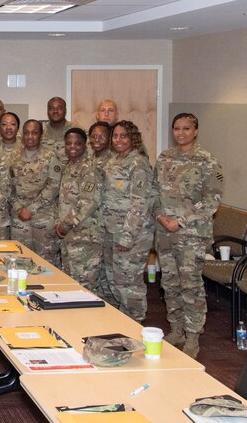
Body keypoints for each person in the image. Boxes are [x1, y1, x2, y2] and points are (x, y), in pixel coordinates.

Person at [153, 113, 223, 358]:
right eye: (176, 128)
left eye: (186, 128)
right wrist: (162, 218)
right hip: (164, 232)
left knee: (190, 286)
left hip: (191, 235)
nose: (180, 133)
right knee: (169, 283)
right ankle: (177, 330)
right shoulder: (164, 158)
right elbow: (154, 193)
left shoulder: (207, 162)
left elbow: (211, 201)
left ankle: (193, 336)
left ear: (195, 131)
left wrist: (180, 221)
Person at [100, 120, 154, 323]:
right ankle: (120, 322)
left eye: (123, 136)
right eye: (115, 136)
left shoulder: (138, 163)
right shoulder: (112, 161)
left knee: (128, 283)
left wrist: (127, 236)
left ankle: (135, 324)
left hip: (131, 235)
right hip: (110, 230)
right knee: (113, 280)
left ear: (133, 138)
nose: (118, 140)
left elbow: (140, 204)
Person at [55, 128, 107, 297]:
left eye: (77, 143)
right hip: (70, 238)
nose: (72, 147)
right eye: (69, 143)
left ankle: (90, 323)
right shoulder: (69, 167)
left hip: (85, 238)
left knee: (85, 289)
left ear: (85, 145)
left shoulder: (88, 168)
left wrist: (66, 225)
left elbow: (88, 202)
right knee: (71, 285)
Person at [8, 120, 63, 265]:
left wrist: (31, 209)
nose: (30, 136)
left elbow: (54, 186)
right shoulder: (13, 157)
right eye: (26, 133)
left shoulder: (50, 156)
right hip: (19, 219)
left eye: (34, 133)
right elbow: (8, 187)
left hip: (43, 219)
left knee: (46, 263)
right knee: (20, 261)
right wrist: (19, 208)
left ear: (41, 135)